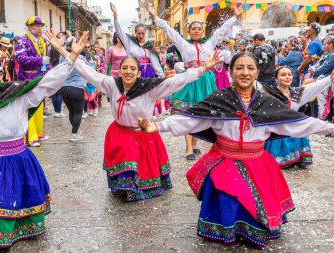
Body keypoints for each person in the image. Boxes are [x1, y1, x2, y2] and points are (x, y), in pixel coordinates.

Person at [138, 52, 334, 247]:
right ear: (231, 72)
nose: (245, 73)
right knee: (230, 200)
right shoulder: (219, 99)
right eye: (239, 68)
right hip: (226, 161)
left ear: (257, 73)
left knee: (256, 207)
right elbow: (190, 118)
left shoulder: (267, 104)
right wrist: (158, 126)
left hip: (258, 163)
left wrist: (330, 127)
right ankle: (228, 230)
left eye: (250, 68)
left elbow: (302, 123)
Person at [48, 25, 220, 201]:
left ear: (138, 72)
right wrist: (64, 51)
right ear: (120, 71)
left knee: (144, 170)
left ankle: (141, 186)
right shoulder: (111, 84)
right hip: (121, 133)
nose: (128, 71)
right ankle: (124, 186)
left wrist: (203, 69)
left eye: (132, 69)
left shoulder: (150, 87)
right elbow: (87, 71)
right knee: (127, 160)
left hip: (144, 134)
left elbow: (178, 80)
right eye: (125, 68)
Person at [0, 31, 88, 248]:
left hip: (16, 160)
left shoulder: (17, 94)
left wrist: (70, 57)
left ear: (1, 73)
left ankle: (19, 229)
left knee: (13, 196)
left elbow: (48, 82)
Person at [146, 2, 244, 160]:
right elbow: (167, 29)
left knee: (201, 114)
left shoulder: (210, 43)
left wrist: (234, 16)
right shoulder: (183, 44)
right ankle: (188, 148)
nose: (197, 31)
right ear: (189, 31)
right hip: (190, 79)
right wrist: (154, 15)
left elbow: (221, 30)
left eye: (199, 28)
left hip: (206, 81)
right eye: (193, 29)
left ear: (203, 30)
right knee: (187, 113)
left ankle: (196, 144)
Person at [262, 66, 334, 169]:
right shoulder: (268, 93)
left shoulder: (296, 93)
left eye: (289, 75)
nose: (287, 77)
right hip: (276, 132)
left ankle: (297, 156)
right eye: (283, 75)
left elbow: (315, 87)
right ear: (276, 78)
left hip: (295, 131)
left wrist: (329, 79)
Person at [15, 16, 50, 147]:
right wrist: (40, 60)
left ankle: (38, 133)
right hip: (27, 79)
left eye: (41, 26)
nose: (40, 28)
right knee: (29, 107)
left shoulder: (42, 41)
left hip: (41, 78)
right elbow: (21, 58)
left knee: (39, 106)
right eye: (36, 26)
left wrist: (48, 72)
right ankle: (30, 137)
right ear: (30, 27)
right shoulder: (22, 41)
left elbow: (47, 59)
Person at [111, 2, 164, 78]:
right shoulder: (130, 42)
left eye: (142, 33)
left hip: (147, 73)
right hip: (133, 71)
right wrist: (115, 15)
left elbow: (155, 62)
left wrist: (162, 77)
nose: (141, 36)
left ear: (145, 33)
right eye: (139, 33)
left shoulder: (149, 46)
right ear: (135, 33)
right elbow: (119, 31)